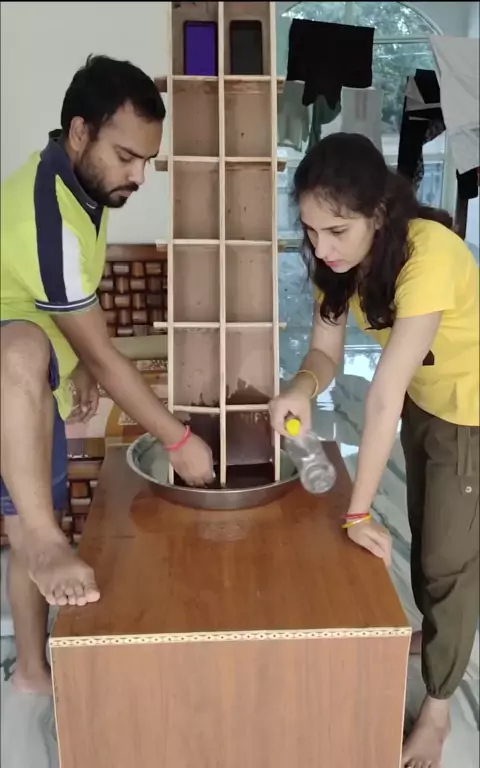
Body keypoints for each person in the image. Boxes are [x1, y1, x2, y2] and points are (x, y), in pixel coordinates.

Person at [0, 55, 214, 695]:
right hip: (11, 372)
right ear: (79, 133)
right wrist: (178, 439)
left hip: (28, 383)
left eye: (147, 160)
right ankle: (46, 543)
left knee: (26, 514)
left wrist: (72, 369)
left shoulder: (82, 189)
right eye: (126, 157)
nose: (139, 176)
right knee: (21, 355)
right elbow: (95, 351)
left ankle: (31, 671)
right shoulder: (46, 218)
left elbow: (62, 312)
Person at [269, 133, 479, 768]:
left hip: (470, 409)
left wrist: (357, 512)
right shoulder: (341, 267)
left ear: (379, 214)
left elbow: (382, 394)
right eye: (311, 231)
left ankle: (438, 711)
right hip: (426, 401)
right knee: (427, 536)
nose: (322, 248)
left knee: (448, 560)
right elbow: (323, 354)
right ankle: (434, 644)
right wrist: (300, 388)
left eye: (337, 231)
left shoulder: (429, 253)